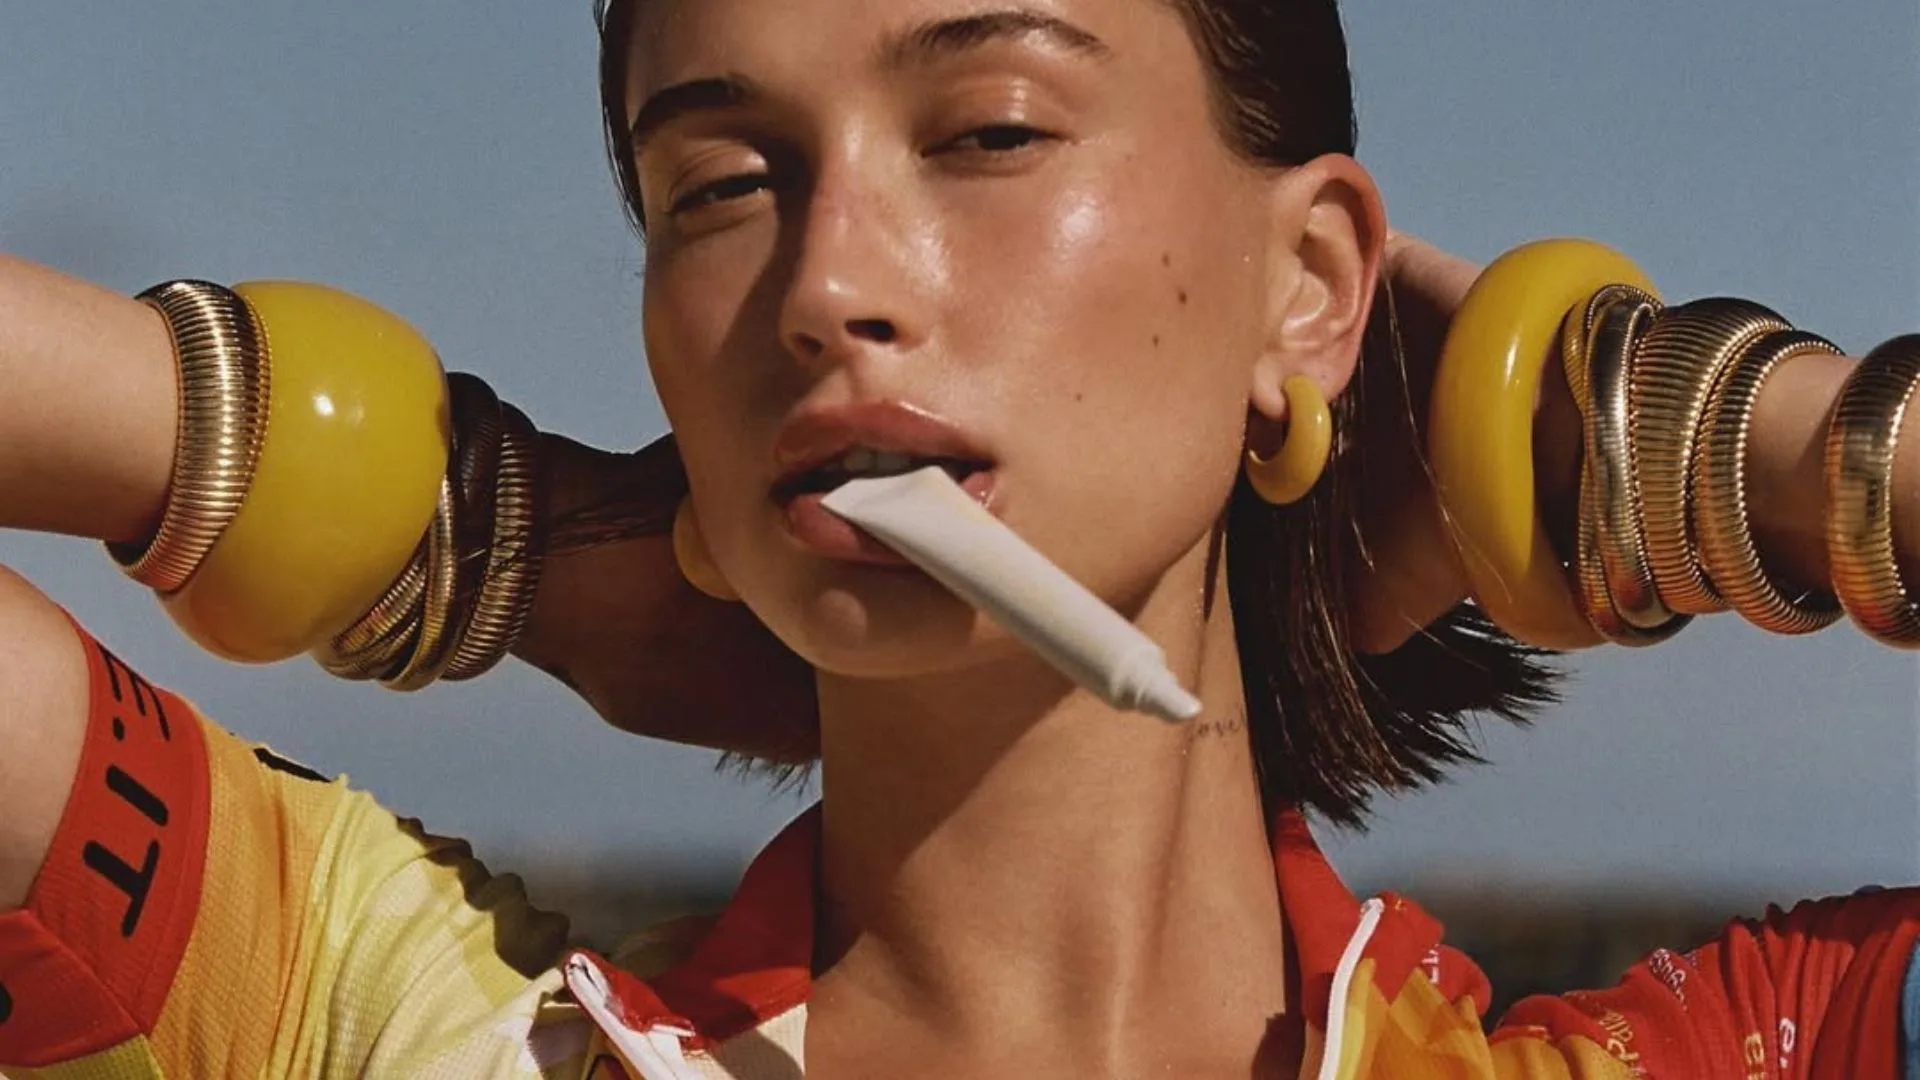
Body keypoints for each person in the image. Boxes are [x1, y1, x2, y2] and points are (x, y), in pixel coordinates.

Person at [2, 2, 1918, 1079]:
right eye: (720, 183)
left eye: (991, 131)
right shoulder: (396, 1034)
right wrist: (474, 530)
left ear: (1310, 282)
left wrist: (1676, 444)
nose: (831, 284)